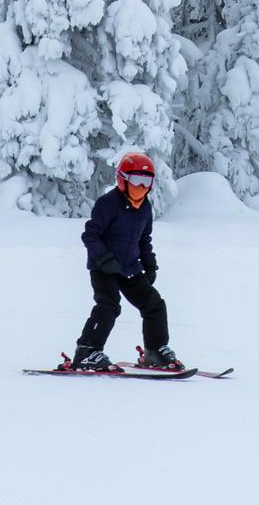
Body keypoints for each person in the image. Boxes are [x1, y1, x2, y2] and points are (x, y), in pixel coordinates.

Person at [71, 151, 181, 372]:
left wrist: (149, 265)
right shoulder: (108, 203)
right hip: (104, 267)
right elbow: (90, 235)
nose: (141, 187)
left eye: (147, 181)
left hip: (130, 267)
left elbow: (144, 240)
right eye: (136, 180)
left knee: (154, 304)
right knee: (108, 306)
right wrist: (104, 259)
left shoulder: (145, 208)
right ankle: (87, 350)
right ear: (123, 179)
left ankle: (155, 350)